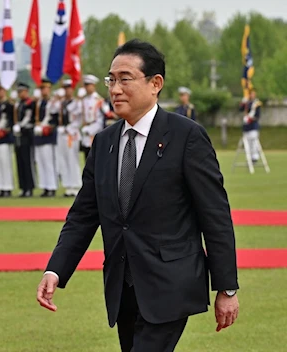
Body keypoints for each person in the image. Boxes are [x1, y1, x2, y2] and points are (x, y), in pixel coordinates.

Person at [36, 39, 239, 352]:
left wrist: (226, 287)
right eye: (111, 80)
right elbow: (83, 216)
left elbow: (214, 215)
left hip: (170, 283)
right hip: (122, 287)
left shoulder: (185, 136)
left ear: (155, 83)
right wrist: (56, 269)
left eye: (125, 79)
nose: (115, 89)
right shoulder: (104, 144)